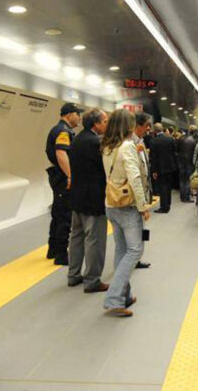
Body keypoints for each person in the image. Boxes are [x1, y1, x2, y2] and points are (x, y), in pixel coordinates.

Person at [101, 109, 151, 317]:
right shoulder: (127, 146)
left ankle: (124, 296)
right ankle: (113, 300)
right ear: (128, 126)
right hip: (127, 206)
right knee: (135, 251)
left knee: (122, 250)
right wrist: (143, 206)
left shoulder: (106, 147)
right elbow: (135, 178)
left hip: (111, 204)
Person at [67, 108, 110, 291]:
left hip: (77, 197)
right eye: (105, 121)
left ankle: (73, 275)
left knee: (76, 236)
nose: (107, 125)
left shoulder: (76, 139)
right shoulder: (96, 142)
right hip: (94, 198)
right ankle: (92, 280)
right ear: (96, 124)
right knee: (94, 239)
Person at [45, 103, 83, 265]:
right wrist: (70, 176)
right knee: (64, 216)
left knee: (57, 212)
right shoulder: (63, 131)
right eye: (77, 114)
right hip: (62, 178)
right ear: (69, 114)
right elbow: (61, 154)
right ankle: (61, 254)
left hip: (59, 176)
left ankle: (53, 249)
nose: (79, 117)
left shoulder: (63, 130)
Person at [132, 113, 153, 269]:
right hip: (135, 197)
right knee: (135, 230)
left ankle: (137, 258)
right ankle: (133, 259)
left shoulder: (141, 141)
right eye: (146, 125)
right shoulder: (130, 143)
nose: (148, 128)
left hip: (143, 193)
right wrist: (142, 204)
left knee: (141, 228)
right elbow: (134, 175)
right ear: (138, 125)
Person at [150, 123, 177, 213]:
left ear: (155, 131)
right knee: (168, 187)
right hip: (170, 166)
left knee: (162, 187)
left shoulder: (153, 141)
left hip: (160, 168)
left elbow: (153, 157)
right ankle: (168, 204)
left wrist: (153, 170)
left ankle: (163, 207)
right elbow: (174, 152)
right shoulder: (170, 139)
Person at [178, 125, 198, 203]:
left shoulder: (181, 138)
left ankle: (182, 196)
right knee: (187, 180)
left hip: (181, 162)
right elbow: (193, 153)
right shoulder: (193, 140)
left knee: (182, 180)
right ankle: (186, 197)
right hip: (189, 162)